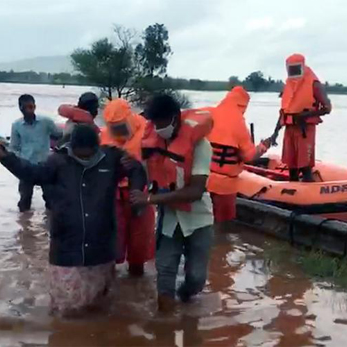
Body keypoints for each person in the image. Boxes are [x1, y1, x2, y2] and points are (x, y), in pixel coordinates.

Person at [0, 124, 147, 315]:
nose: (85, 158)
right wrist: (7, 157)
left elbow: (137, 169)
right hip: (66, 250)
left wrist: (136, 191)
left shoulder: (112, 158)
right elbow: (32, 173)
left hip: (101, 249)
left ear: (97, 147)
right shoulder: (57, 162)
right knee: (65, 314)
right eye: (79, 154)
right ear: (71, 148)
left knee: (101, 308)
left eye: (89, 155)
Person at [130, 94, 214, 312]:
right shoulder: (152, 143)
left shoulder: (201, 146)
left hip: (198, 219)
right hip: (169, 219)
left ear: (175, 118)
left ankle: (185, 298)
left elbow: (195, 191)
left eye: (160, 122)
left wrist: (150, 199)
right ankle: (165, 325)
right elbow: (143, 172)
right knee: (165, 272)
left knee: (196, 277)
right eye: (153, 123)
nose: (156, 127)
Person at [100, 99, 155, 276]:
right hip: (114, 197)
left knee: (140, 245)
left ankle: (136, 275)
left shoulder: (149, 133)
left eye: (121, 127)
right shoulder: (103, 137)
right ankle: (113, 289)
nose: (118, 132)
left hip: (141, 195)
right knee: (111, 244)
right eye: (114, 128)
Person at [207, 86, 272, 231]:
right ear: (242, 105)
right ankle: (222, 250)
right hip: (225, 185)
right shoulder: (239, 125)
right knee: (224, 224)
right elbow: (248, 156)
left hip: (204, 179)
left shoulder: (209, 114)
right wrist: (263, 146)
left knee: (205, 221)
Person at [274, 53, 332, 182]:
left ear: (302, 66)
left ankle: (309, 191)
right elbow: (284, 111)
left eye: (296, 68)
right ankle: (292, 191)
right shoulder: (288, 85)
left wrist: (306, 115)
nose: (293, 72)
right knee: (291, 165)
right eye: (291, 69)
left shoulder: (314, 84)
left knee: (305, 166)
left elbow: (327, 108)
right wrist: (275, 133)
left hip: (305, 129)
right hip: (289, 129)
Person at [10, 94, 63, 212]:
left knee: (51, 200)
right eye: (26, 107)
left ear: (35, 106)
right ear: (20, 108)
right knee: (24, 201)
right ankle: (24, 227)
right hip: (26, 166)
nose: (29, 110)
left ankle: (50, 224)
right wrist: (19, 162)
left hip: (45, 165)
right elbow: (13, 147)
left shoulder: (46, 122)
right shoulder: (17, 126)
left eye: (31, 107)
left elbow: (59, 136)